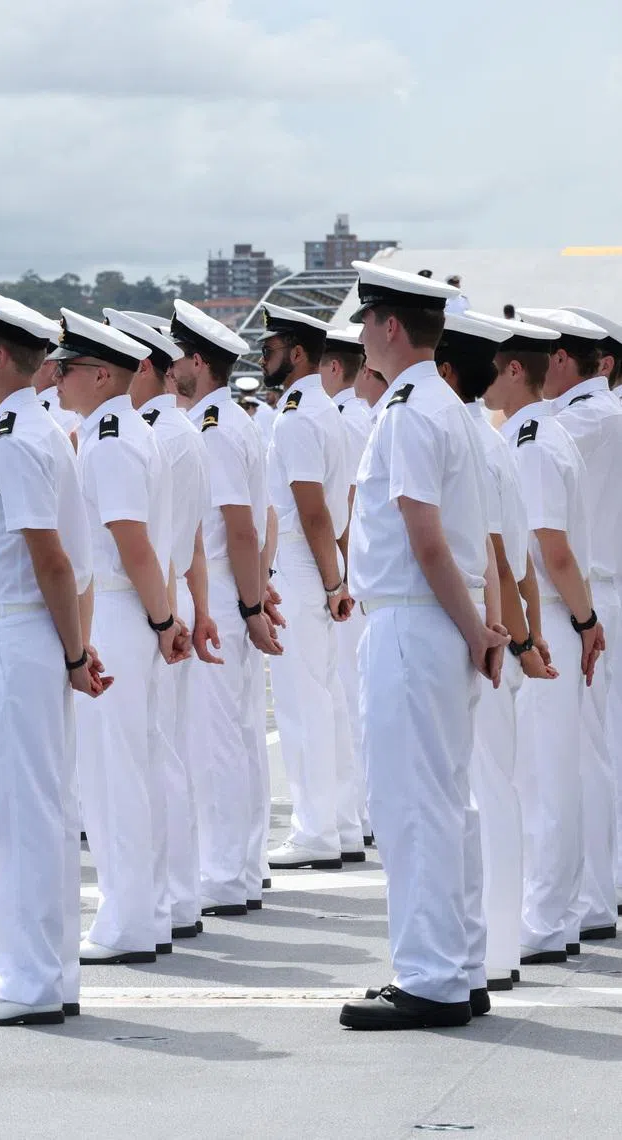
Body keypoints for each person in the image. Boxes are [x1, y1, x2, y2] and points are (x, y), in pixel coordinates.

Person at [338, 262, 507, 1031]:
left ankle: (431, 978)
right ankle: (461, 966)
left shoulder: (409, 410)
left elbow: (427, 538)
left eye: (367, 318)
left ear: (392, 328)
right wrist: (482, 627)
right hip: (442, 619)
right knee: (448, 800)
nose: (360, 331)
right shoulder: (446, 407)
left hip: (415, 618)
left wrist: (476, 631)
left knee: (413, 804)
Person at [0, 287, 101, 1027]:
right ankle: (48, 973)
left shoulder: (17, 439)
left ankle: (28, 980)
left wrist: (73, 653)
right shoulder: (34, 430)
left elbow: (53, 561)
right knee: (38, 808)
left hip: (21, 633)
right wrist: (73, 646)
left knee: (21, 813)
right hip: (32, 633)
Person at [55, 307, 186, 964]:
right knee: (134, 765)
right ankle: (146, 908)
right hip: (127, 609)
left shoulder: (108, 436)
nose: (56, 378)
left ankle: (127, 917)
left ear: (100, 373)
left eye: (68, 367)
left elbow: (131, 542)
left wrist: (164, 620)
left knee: (115, 774)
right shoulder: (124, 430)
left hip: (116, 607)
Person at [435, 311, 556, 991]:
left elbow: (496, 561)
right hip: (502, 634)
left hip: (480, 634)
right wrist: (529, 641)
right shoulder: (495, 443)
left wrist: (511, 642)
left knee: (476, 796)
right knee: (496, 792)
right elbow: (522, 563)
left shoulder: (467, 445)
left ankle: (485, 952)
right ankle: (498, 947)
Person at [484, 314, 604, 964]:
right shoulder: (543, 433)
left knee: (543, 774)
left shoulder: (529, 441)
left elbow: (549, 551)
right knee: (554, 770)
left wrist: (583, 623)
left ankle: (544, 914)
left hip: (551, 618)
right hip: (559, 616)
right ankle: (554, 915)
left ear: (512, 370)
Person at [107, 307, 216, 940]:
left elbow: (161, 540)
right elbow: (192, 538)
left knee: (151, 758)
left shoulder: (159, 433)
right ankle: (174, 897)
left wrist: (174, 615)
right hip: (163, 605)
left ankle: (171, 896)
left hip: (149, 607)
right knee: (159, 753)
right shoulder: (169, 431)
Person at [170, 298, 280, 917]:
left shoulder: (210, 429)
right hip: (234, 592)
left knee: (214, 740)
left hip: (218, 592)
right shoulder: (235, 421)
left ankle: (221, 873)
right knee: (237, 737)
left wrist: (249, 601)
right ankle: (242, 866)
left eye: (177, 357)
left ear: (195, 362)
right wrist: (258, 591)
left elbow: (240, 526)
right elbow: (261, 521)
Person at [518, 307, 621, 942]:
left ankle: (581, 900)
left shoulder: (568, 426)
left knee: (566, 756)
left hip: (577, 598)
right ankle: (600, 890)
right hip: (599, 592)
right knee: (598, 751)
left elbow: (548, 541)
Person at [258, 303, 360, 871]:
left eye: (270, 350)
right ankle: (339, 822)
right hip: (314, 564)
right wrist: (337, 576)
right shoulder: (324, 412)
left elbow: (314, 510)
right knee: (328, 698)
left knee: (303, 704)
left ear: (297, 353)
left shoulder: (297, 416)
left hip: (301, 563)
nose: (262, 360)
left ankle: (315, 829)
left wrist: (329, 580)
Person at [319, 323, 373, 844]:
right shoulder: (350, 416)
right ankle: (359, 807)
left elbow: (352, 505)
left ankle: (362, 808)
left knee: (352, 689)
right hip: (353, 566)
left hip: (351, 569)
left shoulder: (349, 419)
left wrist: (344, 574)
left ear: (335, 368)